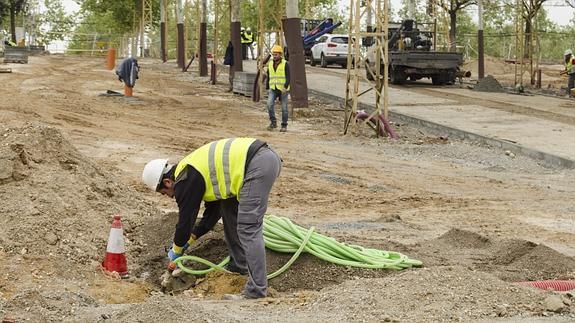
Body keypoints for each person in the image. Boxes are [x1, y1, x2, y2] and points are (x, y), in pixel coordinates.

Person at [141, 138, 282, 300]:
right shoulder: (190, 172)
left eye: (164, 193)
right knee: (228, 210)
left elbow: (185, 223)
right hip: (261, 159)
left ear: (167, 182)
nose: (168, 197)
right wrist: (190, 240)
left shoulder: (184, 181)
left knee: (248, 228)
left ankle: (256, 292)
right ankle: (239, 267)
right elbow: (212, 215)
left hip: (257, 164)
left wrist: (177, 250)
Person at [266, 45, 290, 132]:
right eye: (273, 54)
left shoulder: (285, 64)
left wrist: (285, 86)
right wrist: (267, 87)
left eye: (276, 54)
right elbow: (269, 75)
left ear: (280, 55)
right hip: (273, 87)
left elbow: (288, 76)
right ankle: (273, 122)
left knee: (284, 107)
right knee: (269, 104)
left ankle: (284, 125)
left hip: (283, 89)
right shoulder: (270, 64)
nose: (274, 56)